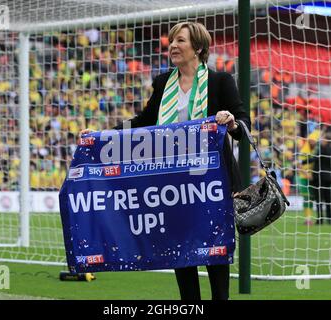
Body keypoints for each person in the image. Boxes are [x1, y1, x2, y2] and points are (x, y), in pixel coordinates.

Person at [81, 22, 251, 300]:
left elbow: (244, 125)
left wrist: (231, 122)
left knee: (214, 245)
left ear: (198, 48)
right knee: (181, 247)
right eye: (171, 41)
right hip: (173, 181)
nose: (172, 45)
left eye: (180, 41)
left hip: (212, 180)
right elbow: (143, 123)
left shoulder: (221, 81)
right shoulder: (163, 82)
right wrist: (103, 135)